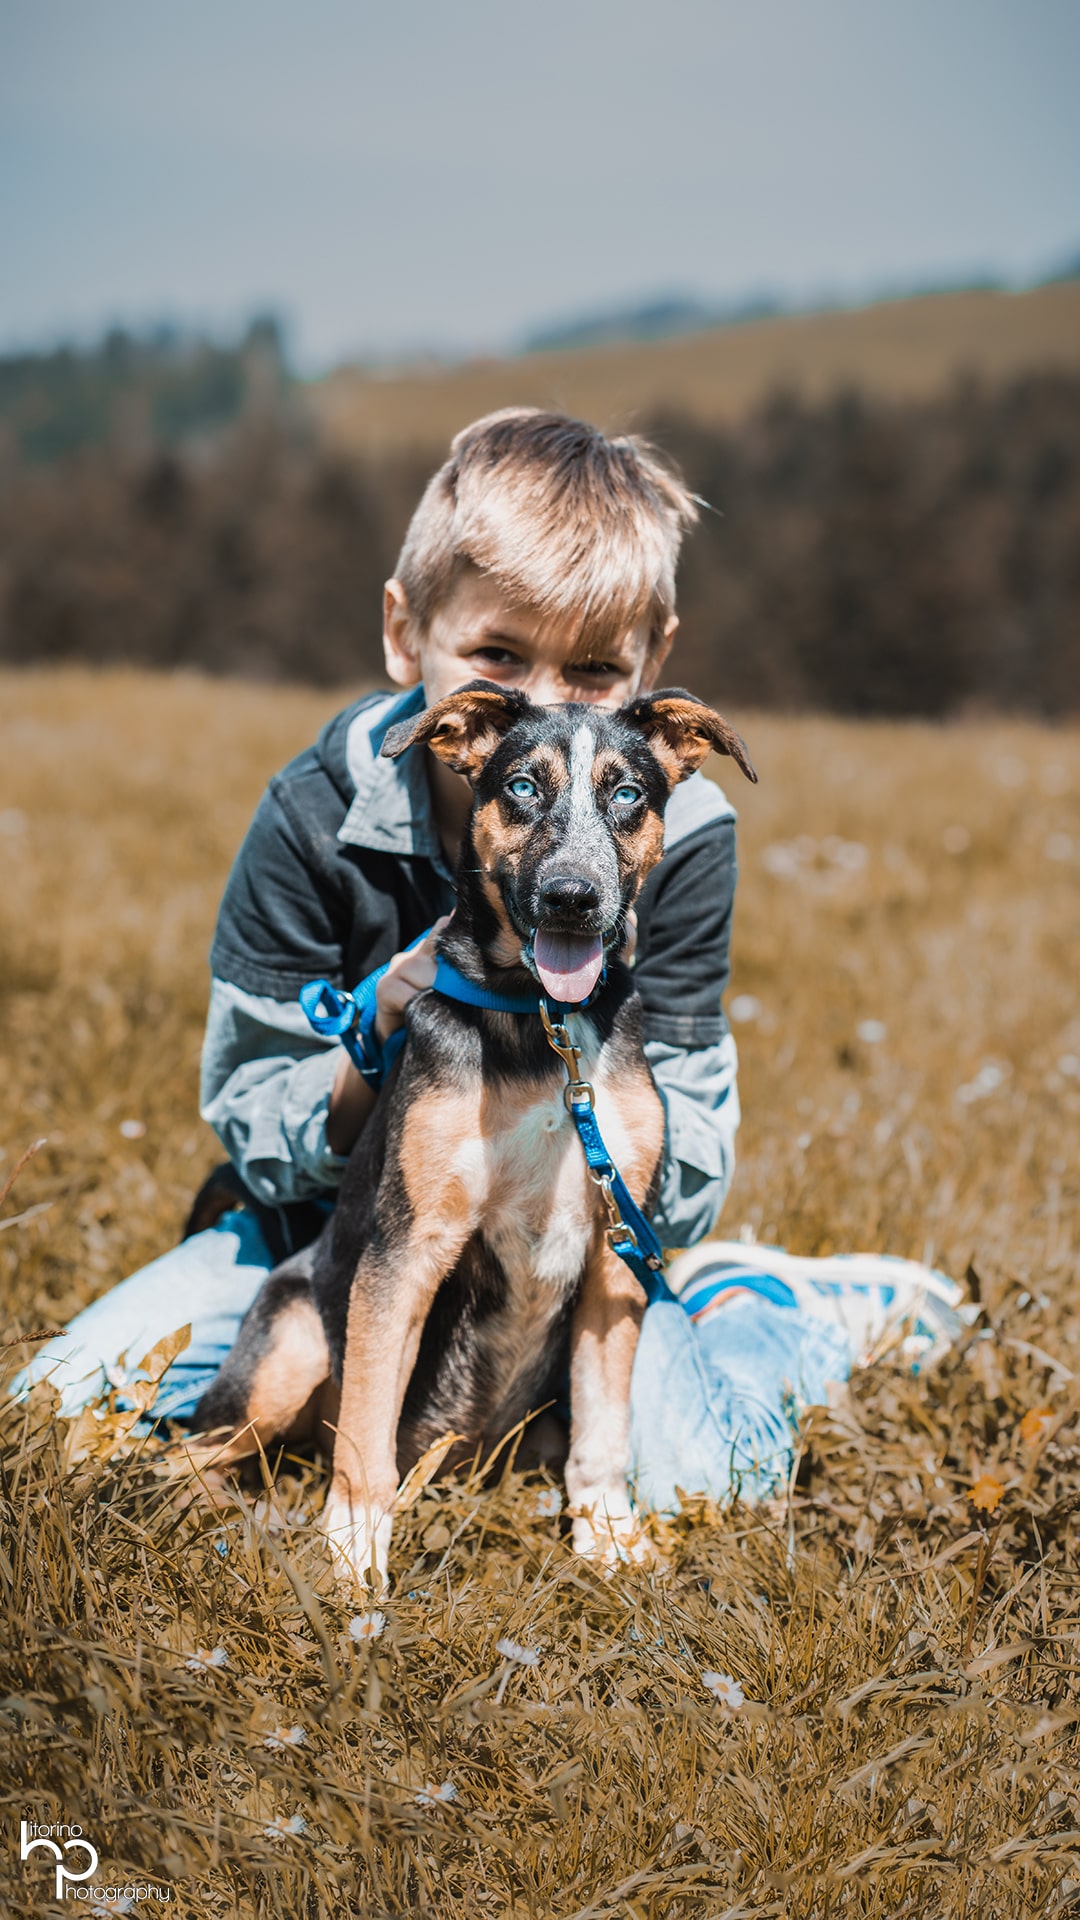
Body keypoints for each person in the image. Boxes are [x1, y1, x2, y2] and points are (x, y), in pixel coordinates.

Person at [14, 408, 963, 1517]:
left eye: (596, 670)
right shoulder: (315, 809)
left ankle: (770, 1307)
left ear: (656, 659)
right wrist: (383, 1033)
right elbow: (250, 1118)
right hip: (319, 1232)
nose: (545, 703)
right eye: (500, 656)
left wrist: (556, 1171)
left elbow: (687, 1152)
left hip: (573, 1246)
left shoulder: (683, 829)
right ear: (404, 635)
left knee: (715, 1475)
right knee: (53, 1411)